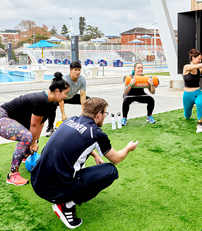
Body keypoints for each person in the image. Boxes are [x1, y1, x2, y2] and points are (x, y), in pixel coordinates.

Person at [31, 97, 138, 229]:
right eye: (105, 113)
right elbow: (116, 159)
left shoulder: (69, 121)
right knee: (111, 171)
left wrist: (94, 154)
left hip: (36, 181)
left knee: (76, 160)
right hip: (54, 191)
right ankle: (67, 205)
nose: (105, 116)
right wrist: (128, 148)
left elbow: (71, 143)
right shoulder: (95, 133)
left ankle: (65, 195)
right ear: (99, 115)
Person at [0, 72, 70, 186]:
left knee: (30, 137)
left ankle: (25, 154)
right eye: (65, 93)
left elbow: (40, 123)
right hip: (2, 117)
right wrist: (31, 143)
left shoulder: (51, 103)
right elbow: (34, 125)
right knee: (26, 136)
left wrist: (35, 143)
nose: (66, 96)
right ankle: (12, 175)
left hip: (11, 119)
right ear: (57, 91)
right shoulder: (41, 100)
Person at [46, 61, 89, 136]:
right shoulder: (65, 80)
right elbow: (61, 97)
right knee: (52, 105)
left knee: (90, 101)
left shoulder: (82, 79)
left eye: (79, 70)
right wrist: (63, 114)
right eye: (75, 70)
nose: (77, 72)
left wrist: (83, 111)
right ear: (70, 70)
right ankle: (50, 127)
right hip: (61, 97)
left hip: (72, 96)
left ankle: (88, 123)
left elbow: (82, 95)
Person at [122, 62, 156, 126]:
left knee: (151, 100)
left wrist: (152, 84)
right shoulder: (129, 78)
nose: (140, 69)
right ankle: (124, 118)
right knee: (125, 101)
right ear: (134, 69)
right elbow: (125, 92)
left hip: (140, 94)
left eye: (141, 68)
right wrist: (130, 84)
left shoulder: (145, 78)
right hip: (130, 94)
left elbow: (152, 92)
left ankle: (149, 116)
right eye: (138, 68)